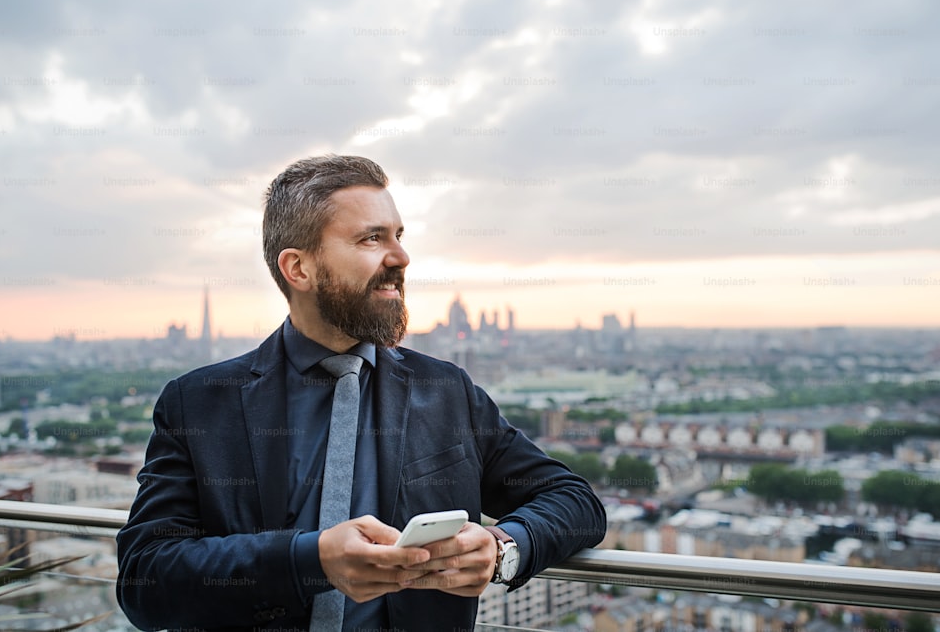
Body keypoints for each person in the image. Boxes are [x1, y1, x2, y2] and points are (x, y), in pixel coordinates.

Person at [116, 154, 606, 632]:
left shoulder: (446, 392)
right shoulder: (199, 403)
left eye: (398, 236)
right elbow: (146, 578)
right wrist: (310, 560)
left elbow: (574, 501)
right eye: (372, 238)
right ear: (299, 269)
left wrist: (503, 548)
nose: (400, 257)